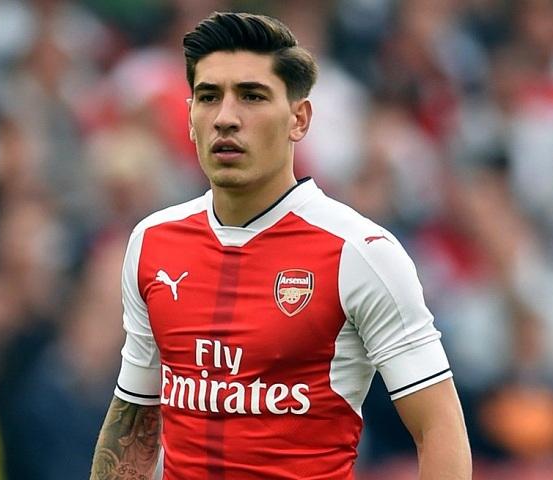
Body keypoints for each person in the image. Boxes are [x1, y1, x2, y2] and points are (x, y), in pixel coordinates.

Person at [90, 11, 471, 480]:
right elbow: (134, 423)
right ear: (189, 117)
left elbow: (439, 430)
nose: (226, 118)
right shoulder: (152, 242)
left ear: (298, 119)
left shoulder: (360, 252)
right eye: (208, 97)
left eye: (252, 96)